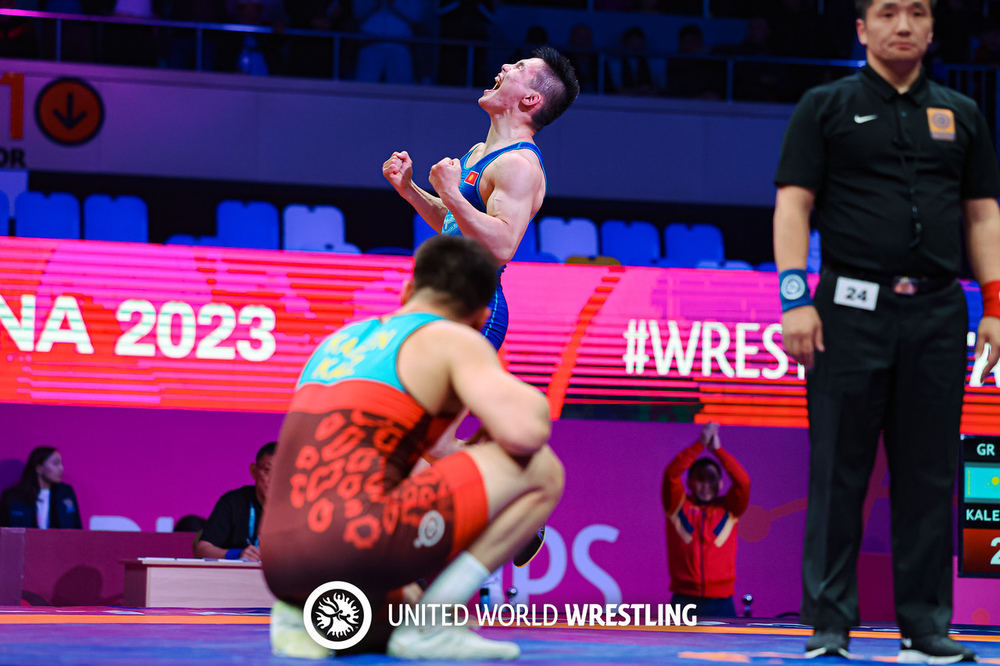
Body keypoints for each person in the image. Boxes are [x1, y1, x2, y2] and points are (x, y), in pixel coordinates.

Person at [773, 0, 1000, 661]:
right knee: (837, 469)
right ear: (862, 28)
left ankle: (925, 629)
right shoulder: (825, 106)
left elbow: (983, 215)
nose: (903, 25)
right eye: (888, 12)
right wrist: (794, 299)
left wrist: (995, 305)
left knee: (929, 473)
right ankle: (829, 626)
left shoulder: (962, 112)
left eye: (917, 13)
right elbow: (793, 205)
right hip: (846, 312)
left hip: (938, 313)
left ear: (931, 30)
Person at [260, 235, 563, 660]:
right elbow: (526, 434)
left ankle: (300, 615)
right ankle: (434, 626)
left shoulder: (339, 341)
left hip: (278, 562)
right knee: (542, 468)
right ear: (480, 317)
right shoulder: (452, 337)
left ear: (407, 291)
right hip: (352, 545)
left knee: (398, 612)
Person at [383, 45, 579, 351]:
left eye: (519, 67)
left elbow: (501, 247)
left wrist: (450, 193)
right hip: (444, 297)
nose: (505, 66)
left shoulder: (518, 163)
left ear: (530, 99)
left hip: (476, 305)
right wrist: (409, 189)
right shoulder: (479, 151)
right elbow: (457, 223)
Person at [661, 421, 750, 618]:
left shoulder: (730, 509)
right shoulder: (677, 506)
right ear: (690, 482)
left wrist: (717, 450)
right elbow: (671, 475)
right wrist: (701, 443)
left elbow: (743, 482)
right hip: (683, 599)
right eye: (700, 479)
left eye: (711, 479)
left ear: (720, 483)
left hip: (722, 602)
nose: (706, 485)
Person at [193, 442, 275, 561]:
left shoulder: (297, 509)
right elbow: (202, 549)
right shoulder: (233, 502)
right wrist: (235, 555)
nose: (274, 479)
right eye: (268, 470)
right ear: (254, 471)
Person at [0, 447, 82, 529]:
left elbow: (77, 529)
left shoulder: (65, 494)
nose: (61, 468)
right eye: (55, 463)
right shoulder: (13, 497)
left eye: (61, 463)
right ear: (39, 468)